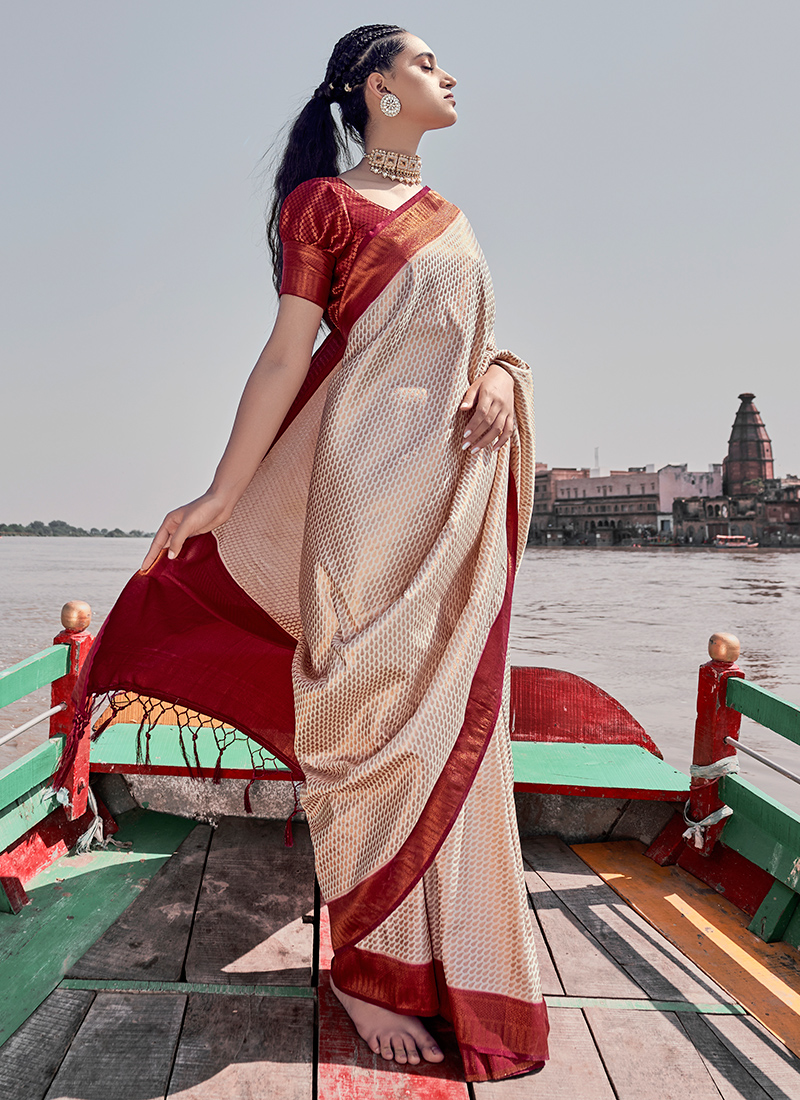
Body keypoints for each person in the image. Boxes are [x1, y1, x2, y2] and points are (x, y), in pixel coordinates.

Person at [54, 23, 549, 1083]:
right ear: (376, 89)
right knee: (356, 721)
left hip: (447, 507)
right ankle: (361, 969)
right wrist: (222, 493)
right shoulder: (319, 206)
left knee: (442, 721)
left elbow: (471, 340)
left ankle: (438, 962)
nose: (447, 75)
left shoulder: (452, 222)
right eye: (425, 64)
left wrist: (506, 370)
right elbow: (286, 355)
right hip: (359, 502)